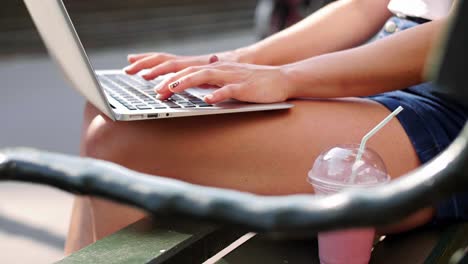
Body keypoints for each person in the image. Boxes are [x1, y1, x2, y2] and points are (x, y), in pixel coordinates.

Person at [65, 0, 467, 253]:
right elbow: (365, 5)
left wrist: (290, 77)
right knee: (106, 110)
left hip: (449, 106)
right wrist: (231, 60)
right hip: (382, 63)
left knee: (119, 138)